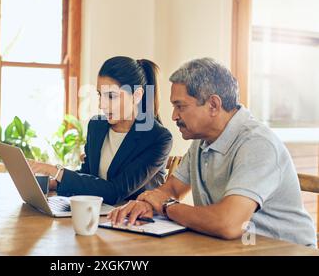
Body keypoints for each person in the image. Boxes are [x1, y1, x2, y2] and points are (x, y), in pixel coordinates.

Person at [108, 57, 317, 247]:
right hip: (236, 248)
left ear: (214, 105)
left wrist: (166, 206)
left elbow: (228, 223)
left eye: (180, 106)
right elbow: (172, 188)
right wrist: (148, 203)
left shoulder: (257, 144)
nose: (173, 116)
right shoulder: (202, 141)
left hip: (286, 251)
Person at [28, 56, 173, 205]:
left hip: (135, 222)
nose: (102, 105)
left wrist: (56, 171)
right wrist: (55, 183)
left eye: (111, 96)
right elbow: (88, 176)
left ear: (136, 95)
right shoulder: (97, 126)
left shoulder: (158, 138)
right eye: (100, 95)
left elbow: (116, 192)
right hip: (97, 213)